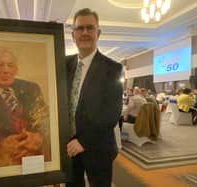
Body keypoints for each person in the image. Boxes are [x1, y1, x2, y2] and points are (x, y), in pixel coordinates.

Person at [66, 8, 123, 187]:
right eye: (79, 28)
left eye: (90, 28)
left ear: (98, 33)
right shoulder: (63, 64)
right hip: (68, 146)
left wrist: (84, 141)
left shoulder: (113, 69)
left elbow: (111, 113)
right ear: (73, 35)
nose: (84, 33)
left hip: (98, 146)